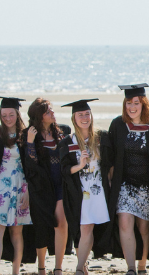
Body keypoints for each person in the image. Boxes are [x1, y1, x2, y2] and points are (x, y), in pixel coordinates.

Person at [105, 83, 149, 275]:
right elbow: (111, 156)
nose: (132, 107)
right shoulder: (118, 126)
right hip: (125, 185)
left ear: (143, 104)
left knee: (144, 227)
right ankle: (130, 268)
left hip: (148, 186)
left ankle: (142, 265)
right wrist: (111, 181)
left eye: (136, 102)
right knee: (124, 222)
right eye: (128, 102)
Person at [0, 96, 35, 275]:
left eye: (11, 114)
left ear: (17, 114)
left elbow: (33, 164)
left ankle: (15, 271)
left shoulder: (27, 135)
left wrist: (29, 190)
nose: (7, 118)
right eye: (3, 115)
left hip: (21, 188)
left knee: (16, 231)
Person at [58, 99, 111, 275]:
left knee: (93, 227)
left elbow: (111, 163)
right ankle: (80, 267)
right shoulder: (67, 142)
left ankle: (83, 266)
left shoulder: (101, 137)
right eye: (80, 115)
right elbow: (65, 170)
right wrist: (80, 165)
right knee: (85, 227)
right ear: (74, 118)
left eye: (87, 114)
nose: (84, 117)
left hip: (100, 191)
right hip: (80, 193)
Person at [22, 98, 72, 275]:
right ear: (39, 116)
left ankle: (58, 267)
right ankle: (41, 267)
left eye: (52, 109)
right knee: (42, 226)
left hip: (61, 184)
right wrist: (29, 142)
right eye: (48, 111)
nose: (52, 113)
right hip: (41, 186)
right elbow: (31, 164)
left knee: (61, 222)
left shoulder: (63, 131)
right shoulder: (29, 134)